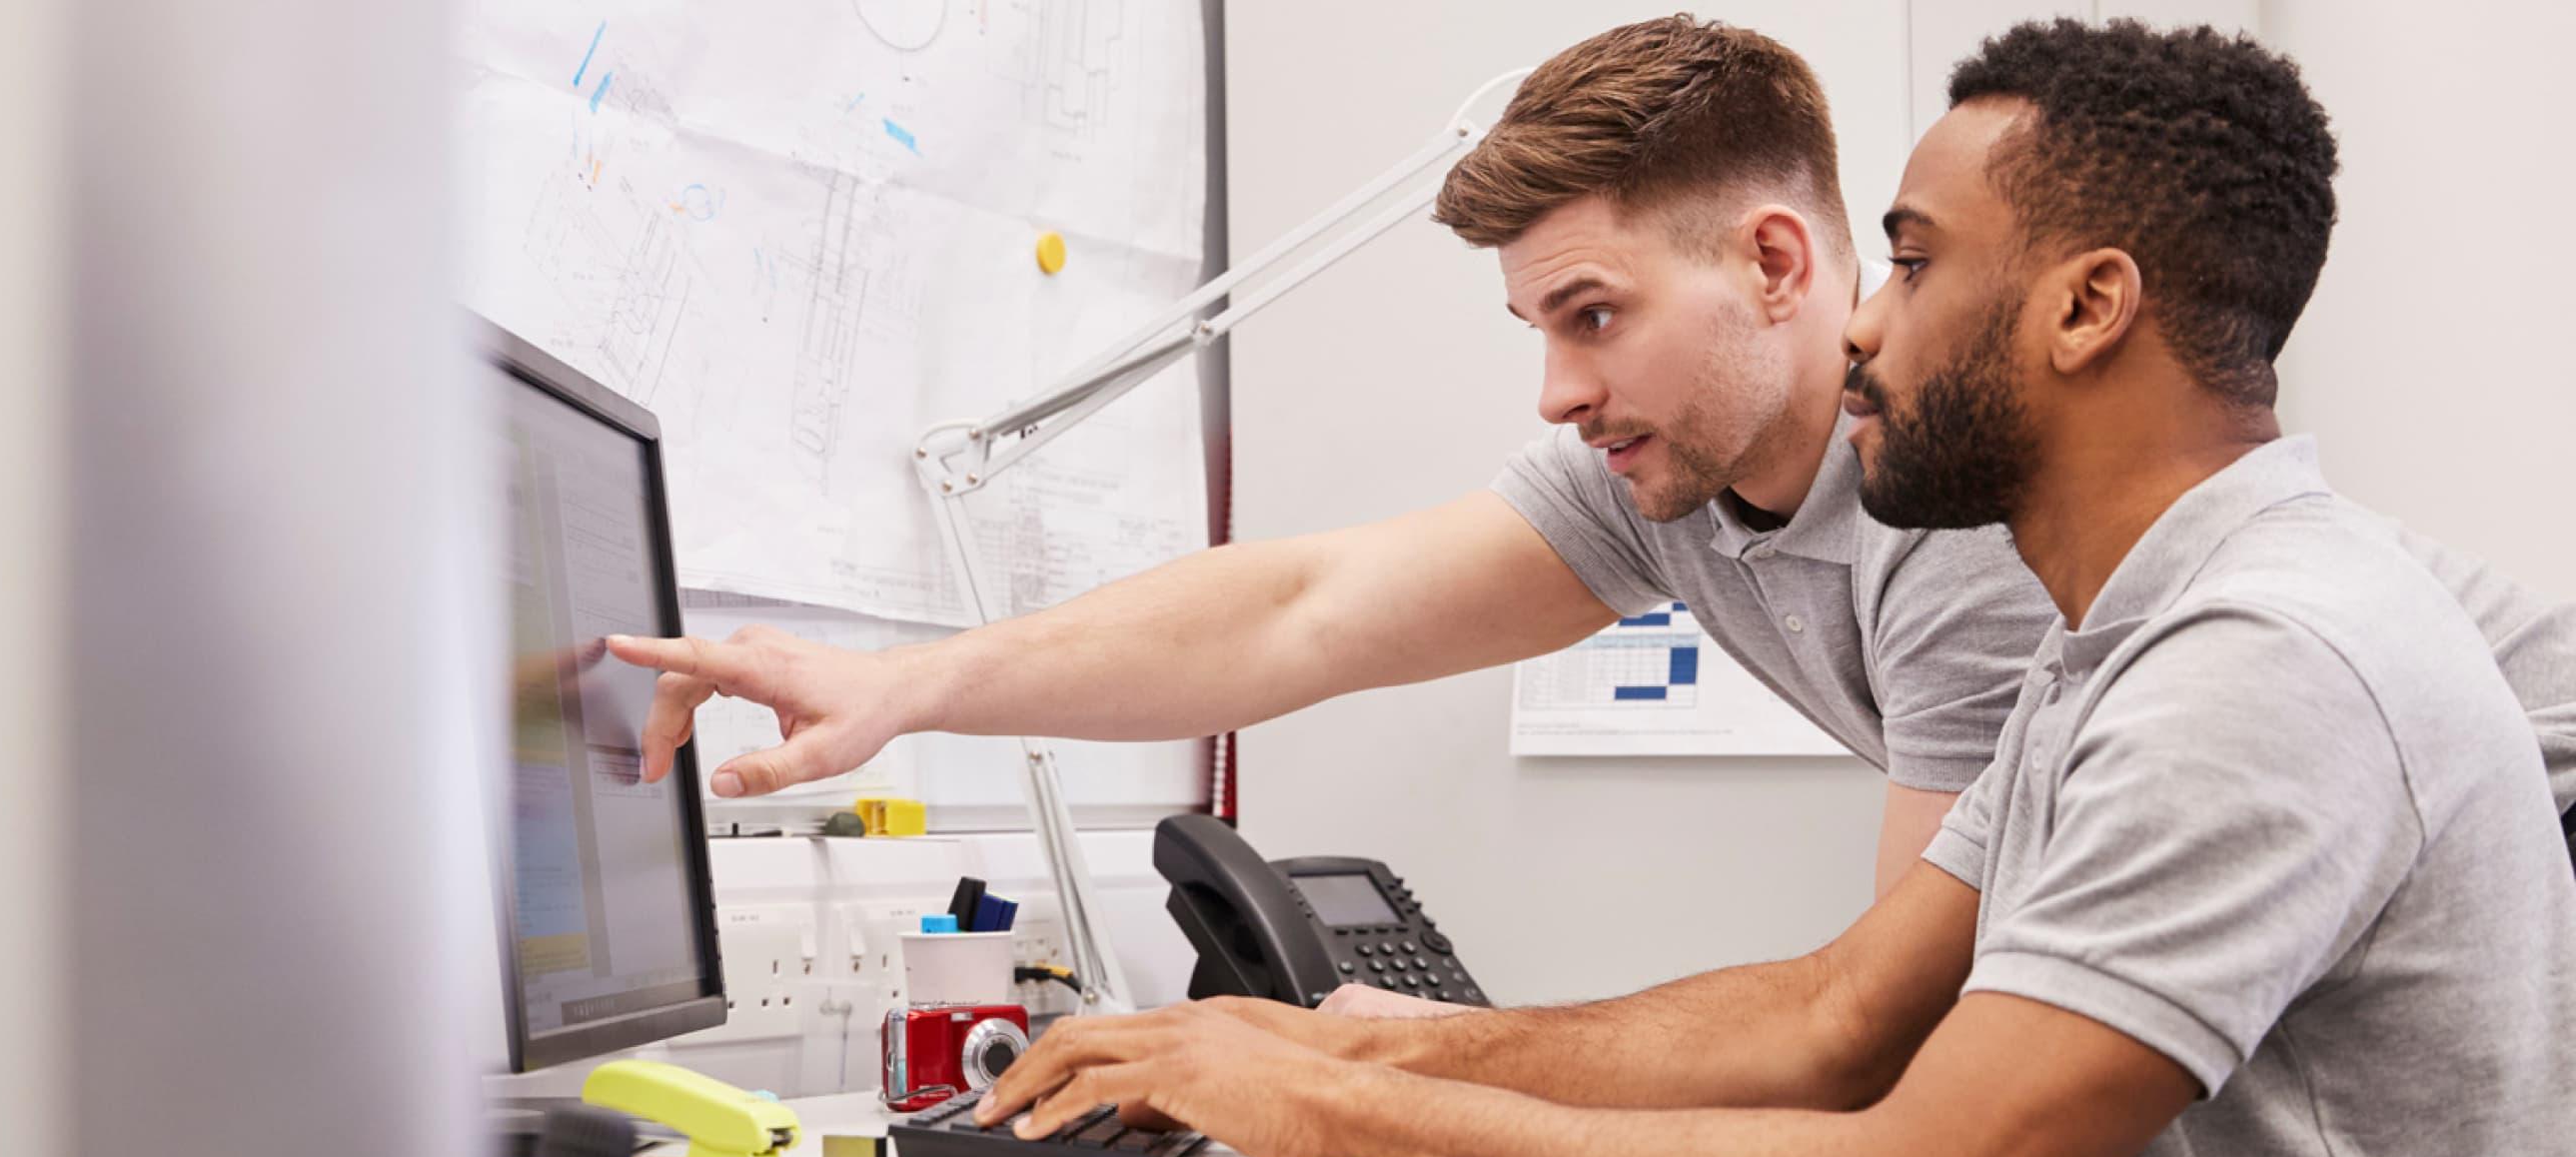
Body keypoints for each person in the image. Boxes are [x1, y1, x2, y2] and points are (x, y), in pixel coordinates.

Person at [972, 21, 2576, 1157]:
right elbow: (1833, 1014)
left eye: (1919, 260)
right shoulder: (2124, 648)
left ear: (2088, 308)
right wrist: (1387, 1049)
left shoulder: (2258, 666)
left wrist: (1349, 1102)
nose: (1865, 325)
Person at [618, 19, 2062, 915]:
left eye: (1594, 316)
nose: (1559, 392)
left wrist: (1401, 1071)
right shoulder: (1664, 476)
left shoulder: (1954, 519)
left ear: (1772, 262)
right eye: (1536, 327)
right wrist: (901, 687)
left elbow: (1890, 1024)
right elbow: (1299, 610)